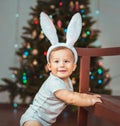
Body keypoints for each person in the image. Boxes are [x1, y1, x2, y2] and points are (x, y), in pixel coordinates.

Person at [20, 12, 102, 126]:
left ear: (74, 66)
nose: (62, 65)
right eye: (56, 61)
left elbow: (76, 95)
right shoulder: (54, 83)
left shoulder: (66, 81)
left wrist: (87, 96)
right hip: (34, 118)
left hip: (46, 122)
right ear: (49, 66)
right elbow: (72, 99)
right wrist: (90, 101)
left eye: (66, 61)